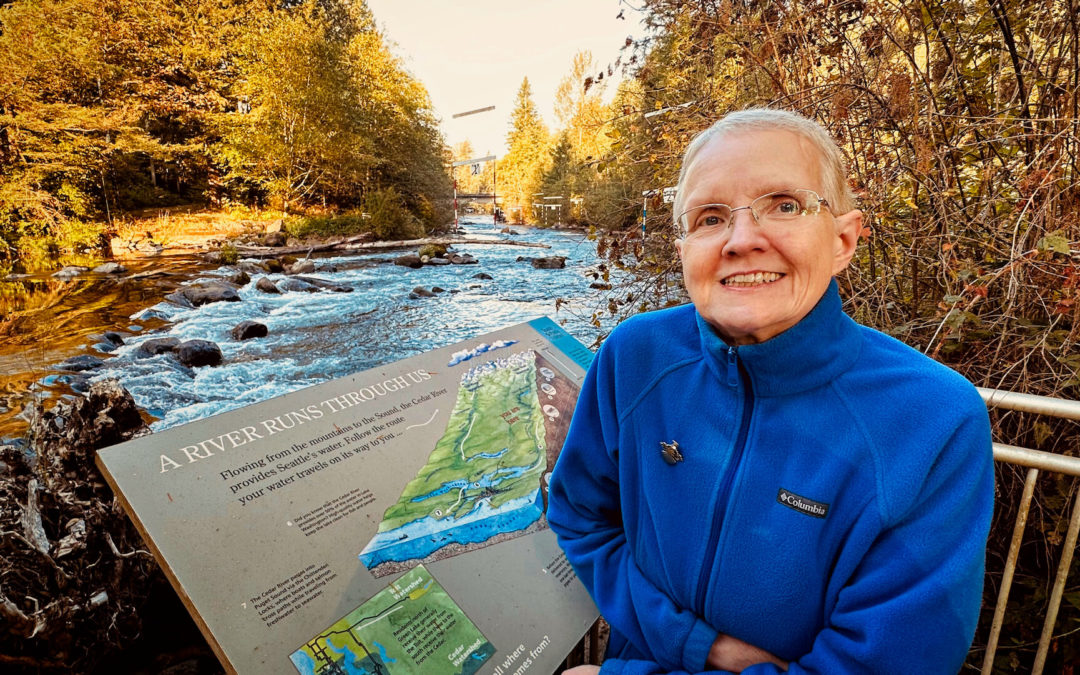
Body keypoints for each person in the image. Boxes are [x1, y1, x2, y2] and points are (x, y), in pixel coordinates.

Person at [546, 108, 995, 675]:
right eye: (710, 217)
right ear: (683, 247)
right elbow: (580, 515)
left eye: (784, 205)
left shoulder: (933, 422)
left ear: (843, 240)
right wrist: (697, 646)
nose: (741, 240)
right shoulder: (635, 357)